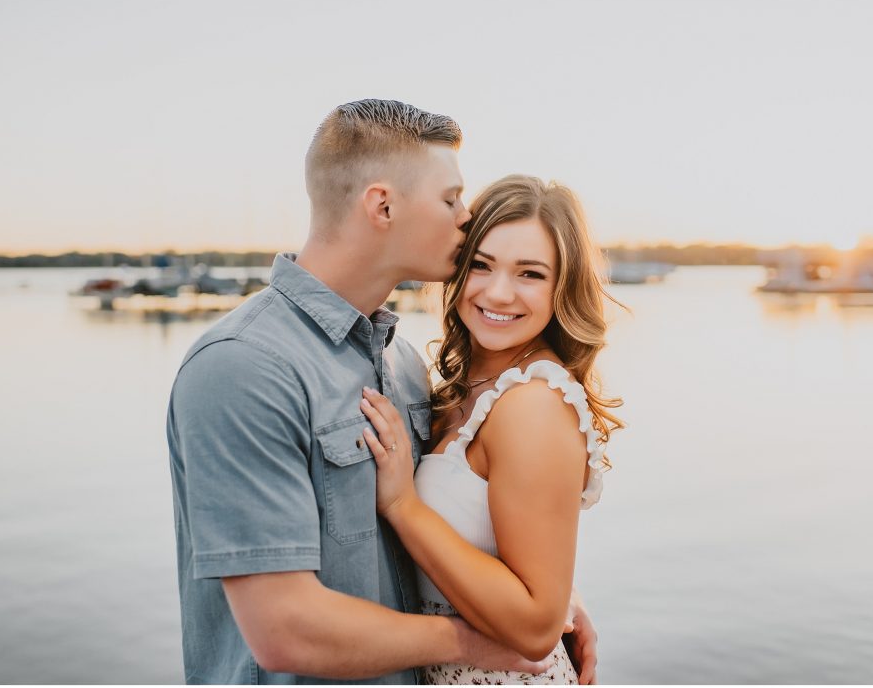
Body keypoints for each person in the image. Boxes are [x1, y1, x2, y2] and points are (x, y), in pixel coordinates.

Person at [166, 100, 598, 684]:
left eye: (529, 272)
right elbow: (285, 628)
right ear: (383, 205)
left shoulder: (400, 360)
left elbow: (449, 524)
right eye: (450, 199)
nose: (466, 217)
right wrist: (476, 640)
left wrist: (545, 597)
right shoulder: (245, 368)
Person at [358, 174, 624, 684]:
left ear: (561, 287)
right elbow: (508, 552)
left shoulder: (533, 403)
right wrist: (564, 592)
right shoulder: (468, 383)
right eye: (481, 265)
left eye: (530, 273)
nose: (499, 293)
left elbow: (534, 629)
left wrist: (403, 506)